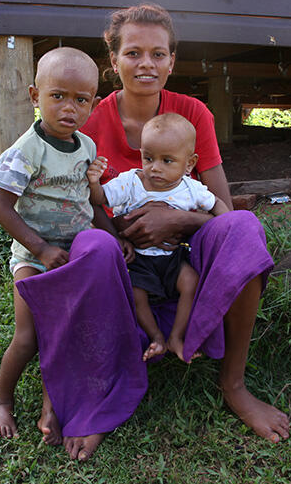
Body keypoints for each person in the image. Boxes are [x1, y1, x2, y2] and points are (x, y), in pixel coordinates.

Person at [16, 3, 290, 462]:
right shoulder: (88, 119)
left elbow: (220, 208)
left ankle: (234, 385)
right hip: (121, 261)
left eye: (158, 54)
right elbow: (78, 204)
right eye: (134, 53)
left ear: (172, 61)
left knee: (244, 227)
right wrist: (119, 234)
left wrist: (179, 219)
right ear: (114, 61)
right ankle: (84, 392)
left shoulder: (193, 114)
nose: (147, 64)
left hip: (185, 256)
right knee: (92, 244)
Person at [0, 47, 131, 444]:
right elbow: (1, 208)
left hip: (77, 254)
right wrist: (41, 250)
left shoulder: (86, 147)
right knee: (29, 336)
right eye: (57, 96)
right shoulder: (25, 151)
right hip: (34, 258)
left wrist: (115, 237)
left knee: (64, 332)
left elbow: (88, 201)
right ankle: (3, 400)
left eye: (80, 100)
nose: (69, 108)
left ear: (94, 104)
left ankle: (55, 403)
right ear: (36, 96)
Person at [87, 113, 230, 363]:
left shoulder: (190, 188)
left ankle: (176, 336)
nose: (155, 167)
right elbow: (100, 200)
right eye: (149, 158)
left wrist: (227, 223)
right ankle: (156, 337)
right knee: (136, 293)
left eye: (167, 161)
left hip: (173, 256)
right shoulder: (131, 181)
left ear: (189, 164)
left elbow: (216, 203)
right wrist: (93, 183)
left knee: (190, 282)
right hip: (139, 258)